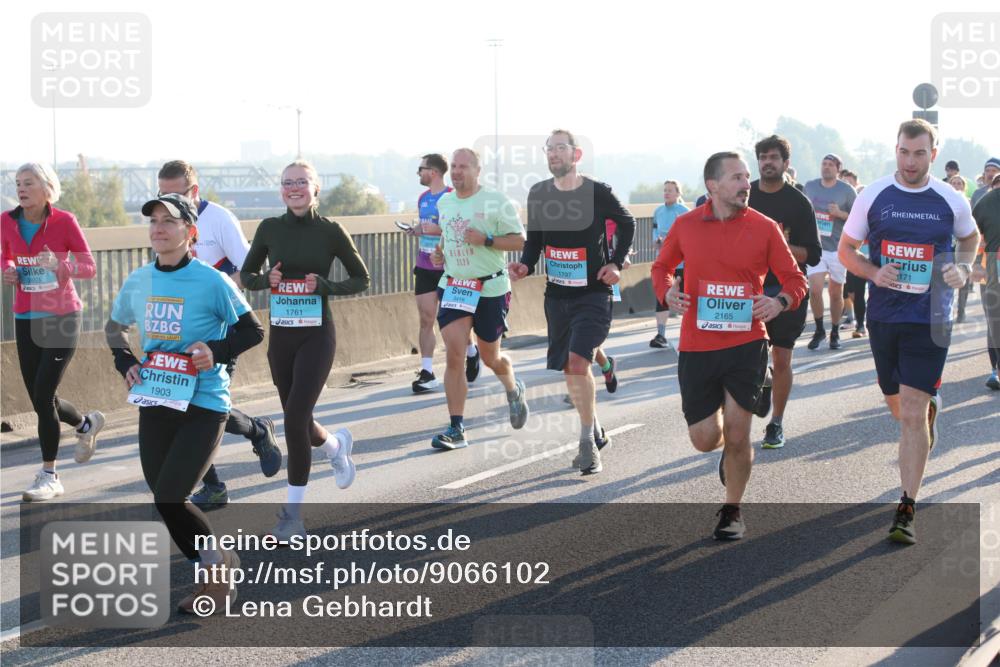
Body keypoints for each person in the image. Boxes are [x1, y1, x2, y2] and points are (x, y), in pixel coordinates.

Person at [105, 193, 264, 613]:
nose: (158, 228)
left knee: (172, 495)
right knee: (163, 497)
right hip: (156, 397)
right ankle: (217, 564)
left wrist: (217, 348)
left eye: (169, 221)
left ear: (190, 232)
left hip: (205, 401)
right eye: (153, 221)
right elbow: (115, 328)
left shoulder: (213, 280)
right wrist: (126, 360)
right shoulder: (139, 279)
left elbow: (252, 331)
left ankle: (215, 577)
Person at [652, 151, 807, 540]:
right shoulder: (686, 226)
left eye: (746, 177)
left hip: (747, 343)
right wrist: (667, 292)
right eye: (737, 178)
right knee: (706, 439)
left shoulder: (765, 227)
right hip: (697, 346)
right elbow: (661, 267)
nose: (746, 185)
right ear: (713, 185)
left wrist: (778, 302)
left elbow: (795, 279)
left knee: (739, 435)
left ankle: (732, 509)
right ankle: (725, 445)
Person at [838, 119, 979, 545]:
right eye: (904, 152)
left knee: (912, 415)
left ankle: (906, 506)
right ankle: (926, 411)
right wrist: (874, 272)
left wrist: (964, 267)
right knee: (900, 409)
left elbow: (970, 239)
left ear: (932, 154)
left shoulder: (950, 200)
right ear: (895, 150)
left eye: (919, 153)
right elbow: (847, 251)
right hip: (884, 316)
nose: (910, 161)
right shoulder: (875, 195)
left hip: (932, 317)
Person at [240, 160, 370, 539]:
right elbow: (247, 277)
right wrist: (267, 279)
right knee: (297, 417)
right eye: (287, 183)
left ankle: (292, 516)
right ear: (281, 190)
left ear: (316, 189)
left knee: (295, 418)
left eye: (301, 182)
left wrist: (325, 285)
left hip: (317, 334)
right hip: (281, 336)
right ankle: (335, 445)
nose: (293, 188)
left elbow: (361, 278)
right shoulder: (269, 228)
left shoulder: (331, 230)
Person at [156, 160, 281, 511]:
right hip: (178, 331)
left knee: (207, 407)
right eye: (160, 195)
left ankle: (257, 430)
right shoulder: (164, 224)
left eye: (174, 195)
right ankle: (213, 486)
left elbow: (249, 265)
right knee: (180, 405)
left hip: (221, 330)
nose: (166, 203)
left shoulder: (219, 219)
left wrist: (220, 290)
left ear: (193, 192)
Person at [510, 129, 635, 474]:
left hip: (593, 293)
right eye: (549, 149)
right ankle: (594, 426)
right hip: (558, 295)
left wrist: (615, 262)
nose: (553, 154)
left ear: (576, 156)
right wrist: (524, 264)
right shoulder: (538, 194)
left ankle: (586, 444)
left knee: (579, 363)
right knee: (571, 369)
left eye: (560, 148)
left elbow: (626, 223)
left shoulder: (597, 192)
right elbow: (534, 240)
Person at [2, 163, 105, 502]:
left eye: (28, 183)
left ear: (47, 187)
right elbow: (4, 257)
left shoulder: (64, 222)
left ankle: (49, 475)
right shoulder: (6, 221)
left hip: (62, 317)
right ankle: (86, 425)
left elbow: (88, 266)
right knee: (39, 397)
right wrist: (9, 271)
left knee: (44, 395)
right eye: (18, 183)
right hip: (26, 316)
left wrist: (61, 267)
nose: (21, 188)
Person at [429, 148, 529, 450]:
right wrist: (440, 253)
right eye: (454, 167)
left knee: (490, 357)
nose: (457, 172)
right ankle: (456, 427)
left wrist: (485, 240)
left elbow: (519, 239)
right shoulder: (445, 202)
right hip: (455, 286)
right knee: (455, 353)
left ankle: (512, 388)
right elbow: (448, 236)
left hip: (490, 289)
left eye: (463, 167)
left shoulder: (495, 201)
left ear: (477, 170)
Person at [748, 136, 822, 449]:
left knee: (781, 359)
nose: (768, 162)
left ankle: (776, 423)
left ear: (785, 163)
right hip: (749, 290)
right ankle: (761, 381)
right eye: (763, 157)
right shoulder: (745, 195)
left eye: (774, 157)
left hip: (788, 290)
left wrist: (776, 247)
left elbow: (813, 254)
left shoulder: (798, 202)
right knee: (748, 357)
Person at [405, 154, 482, 393]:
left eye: (422, 169)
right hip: (425, 265)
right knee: (426, 318)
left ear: (434, 172)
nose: (419, 173)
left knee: (454, 322)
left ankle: (472, 351)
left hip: (450, 268)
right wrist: (417, 230)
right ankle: (427, 372)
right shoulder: (422, 198)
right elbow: (427, 226)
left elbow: (460, 230)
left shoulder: (451, 196)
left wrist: (437, 229)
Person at [804, 153, 857, 350]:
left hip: (837, 248)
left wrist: (839, 213)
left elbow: (858, 218)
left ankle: (835, 331)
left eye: (830, 165)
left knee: (836, 293)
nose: (826, 167)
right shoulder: (810, 186)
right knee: (815, 290)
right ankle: (819, 330)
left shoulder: (847, 191)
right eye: (823, 164)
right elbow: (801, 211)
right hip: (816, 247)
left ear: (838, 169)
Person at [649, 180, 689, 349]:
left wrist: (673, 241)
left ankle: (689, 334)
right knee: (662, 297)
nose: (666, 193)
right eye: (665, 190)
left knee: (687, 298)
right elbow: (654, 231)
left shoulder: (685, 212)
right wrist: (656, 241)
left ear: (678, 193)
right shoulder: (658, 211)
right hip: (663, 262)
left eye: (670, 190)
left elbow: (690, 238)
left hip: (682, 263)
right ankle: (660, 335)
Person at [972, 186, 1000, 390]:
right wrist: (973, 263)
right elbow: (970, 236)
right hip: (993, 271)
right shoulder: (987, 203)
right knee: (995, 320)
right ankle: (996, 369)